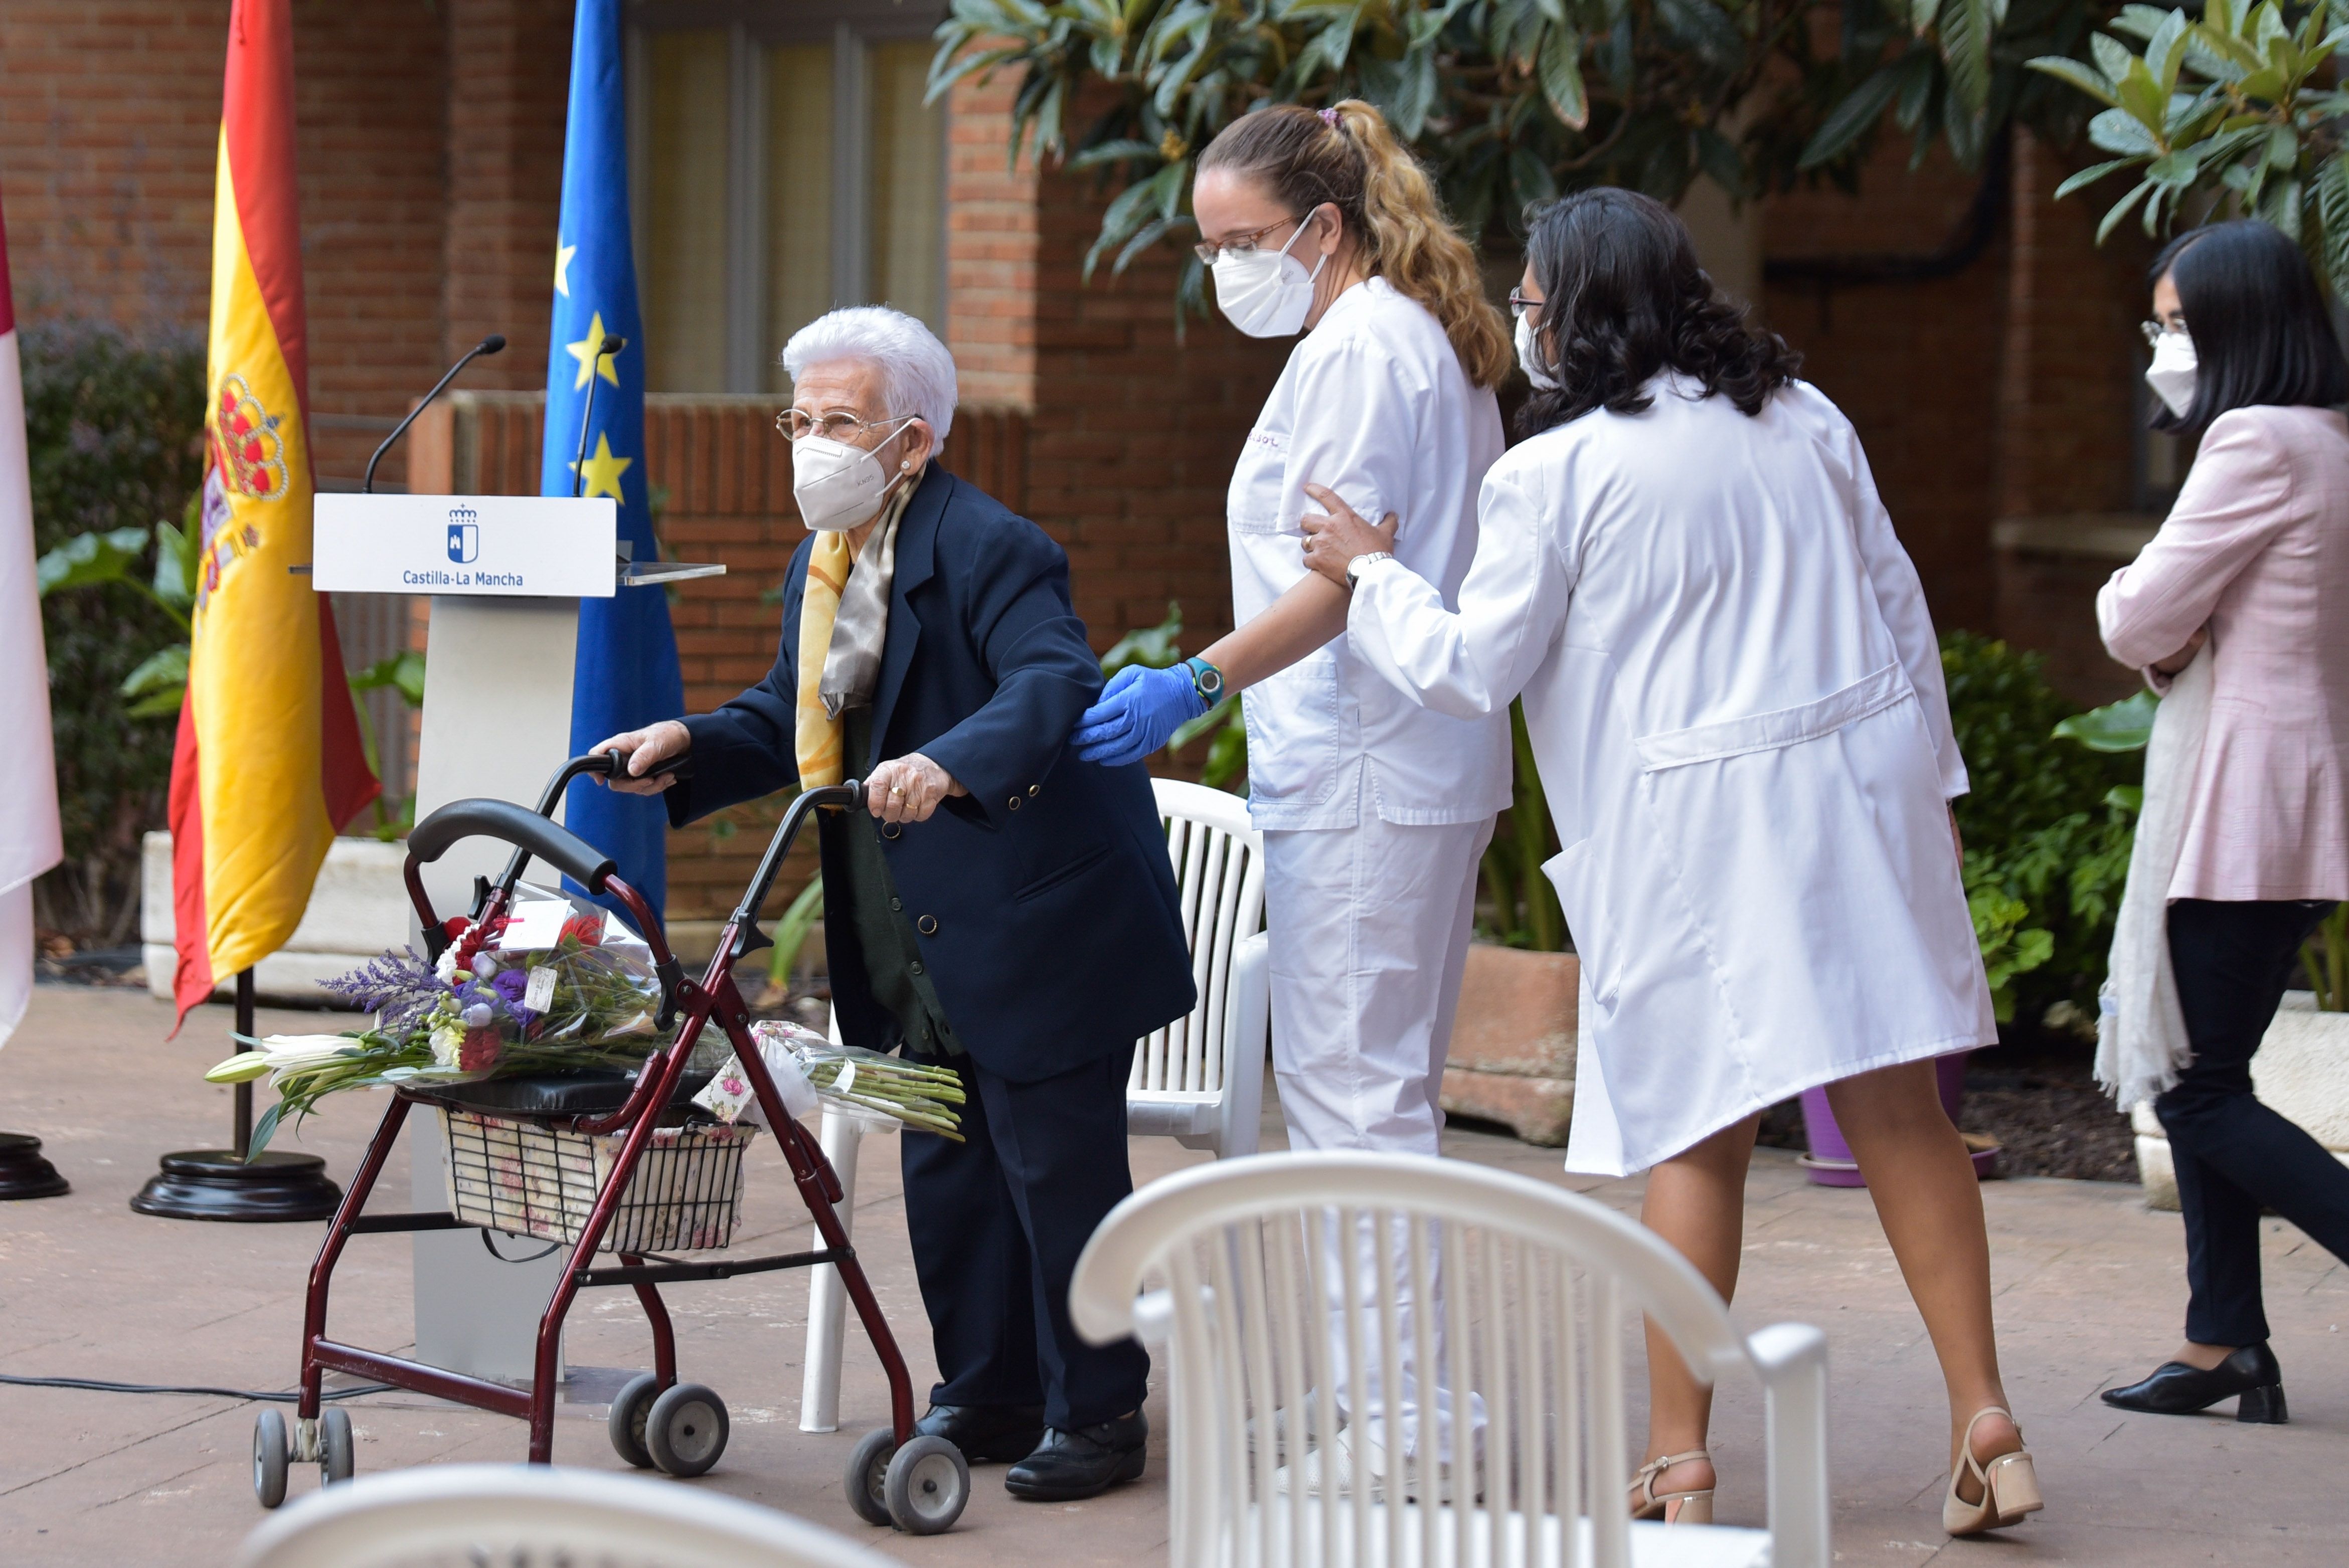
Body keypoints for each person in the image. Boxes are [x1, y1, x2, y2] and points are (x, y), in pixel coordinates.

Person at [1298, 190, 2041, 1536]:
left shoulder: (1552, 472)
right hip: (1858, 801)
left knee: (1694, 1144)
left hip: (1695, 836)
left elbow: (1470, 669)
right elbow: (1899, 611)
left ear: (1578, 312)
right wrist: (1934, 791)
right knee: (1899, 1119)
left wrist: (1367, 574)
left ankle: (1676, 1461)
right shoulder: (1808, 418)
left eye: (1530, 303)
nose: (1520, 322)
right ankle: (1983, 1415)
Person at [591, 306, 1197, 1502]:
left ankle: (1100, 1415)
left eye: (840, 423)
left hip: (1034, 917)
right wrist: (689, 742)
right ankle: (987, 1388)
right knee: (949, 1168)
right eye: (799, 420)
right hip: (909, 921)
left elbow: (1052, 680)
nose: (810, 443)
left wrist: (952, 758)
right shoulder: (825, 564)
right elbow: (792, 714)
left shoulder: (990, 548)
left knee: (1053, 1173)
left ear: (912, 442)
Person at [1068, 99, 1515, 1488]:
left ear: (1321, 228)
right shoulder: (1371, 338)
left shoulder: (1368, 349)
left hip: (1368, 759)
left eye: (1241, 242)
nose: (1222, 271)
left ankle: (1410, 1429)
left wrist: (1188, 684)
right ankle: (1393, 1401)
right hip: (1377, 760)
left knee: (1355, 1098)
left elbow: (1335, 580)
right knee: (1365, 1090)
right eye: (1206, 247)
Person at [2095, 220, 2349, 1424]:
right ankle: (2221, 1343)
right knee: (2213, 1070)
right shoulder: (2330, 439)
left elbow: (2138, 614)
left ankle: (2225, 1337)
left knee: (2194, 1089)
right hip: (2292, 796)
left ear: (2239, 325)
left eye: (2176, 325)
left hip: (2244, 800)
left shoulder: (2252, 441)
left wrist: (2147, 621)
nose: (2159, 346)